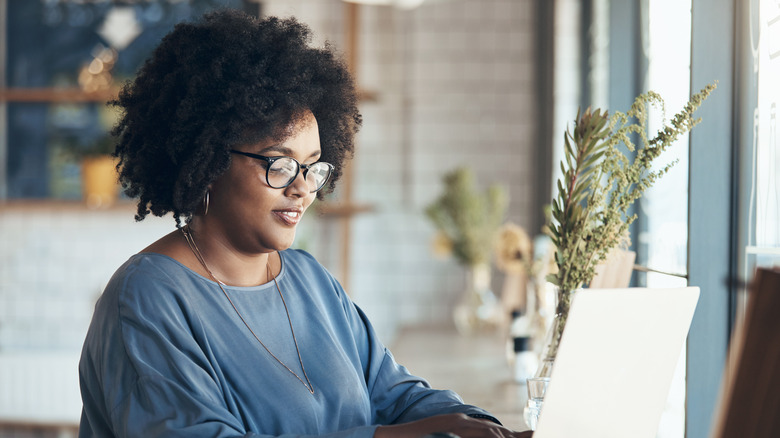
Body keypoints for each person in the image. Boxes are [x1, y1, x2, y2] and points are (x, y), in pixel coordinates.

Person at [78, 9, 532, 438]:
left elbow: (395, 394)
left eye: (313, 167)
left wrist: (480, 425)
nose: (302, 188)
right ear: (208, 160)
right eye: (279, 164)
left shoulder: (310, 279)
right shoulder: (146, 297)